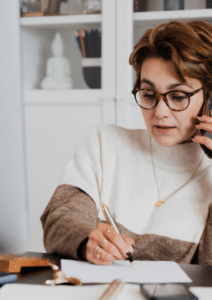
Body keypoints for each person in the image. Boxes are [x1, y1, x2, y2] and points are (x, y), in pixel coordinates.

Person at [40, 21, 212, 266]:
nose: (160, 112)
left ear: (209, 99)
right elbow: (60, 219)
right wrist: (86, 239)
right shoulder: (105, 143)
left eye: (178, 96)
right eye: (148, 94)